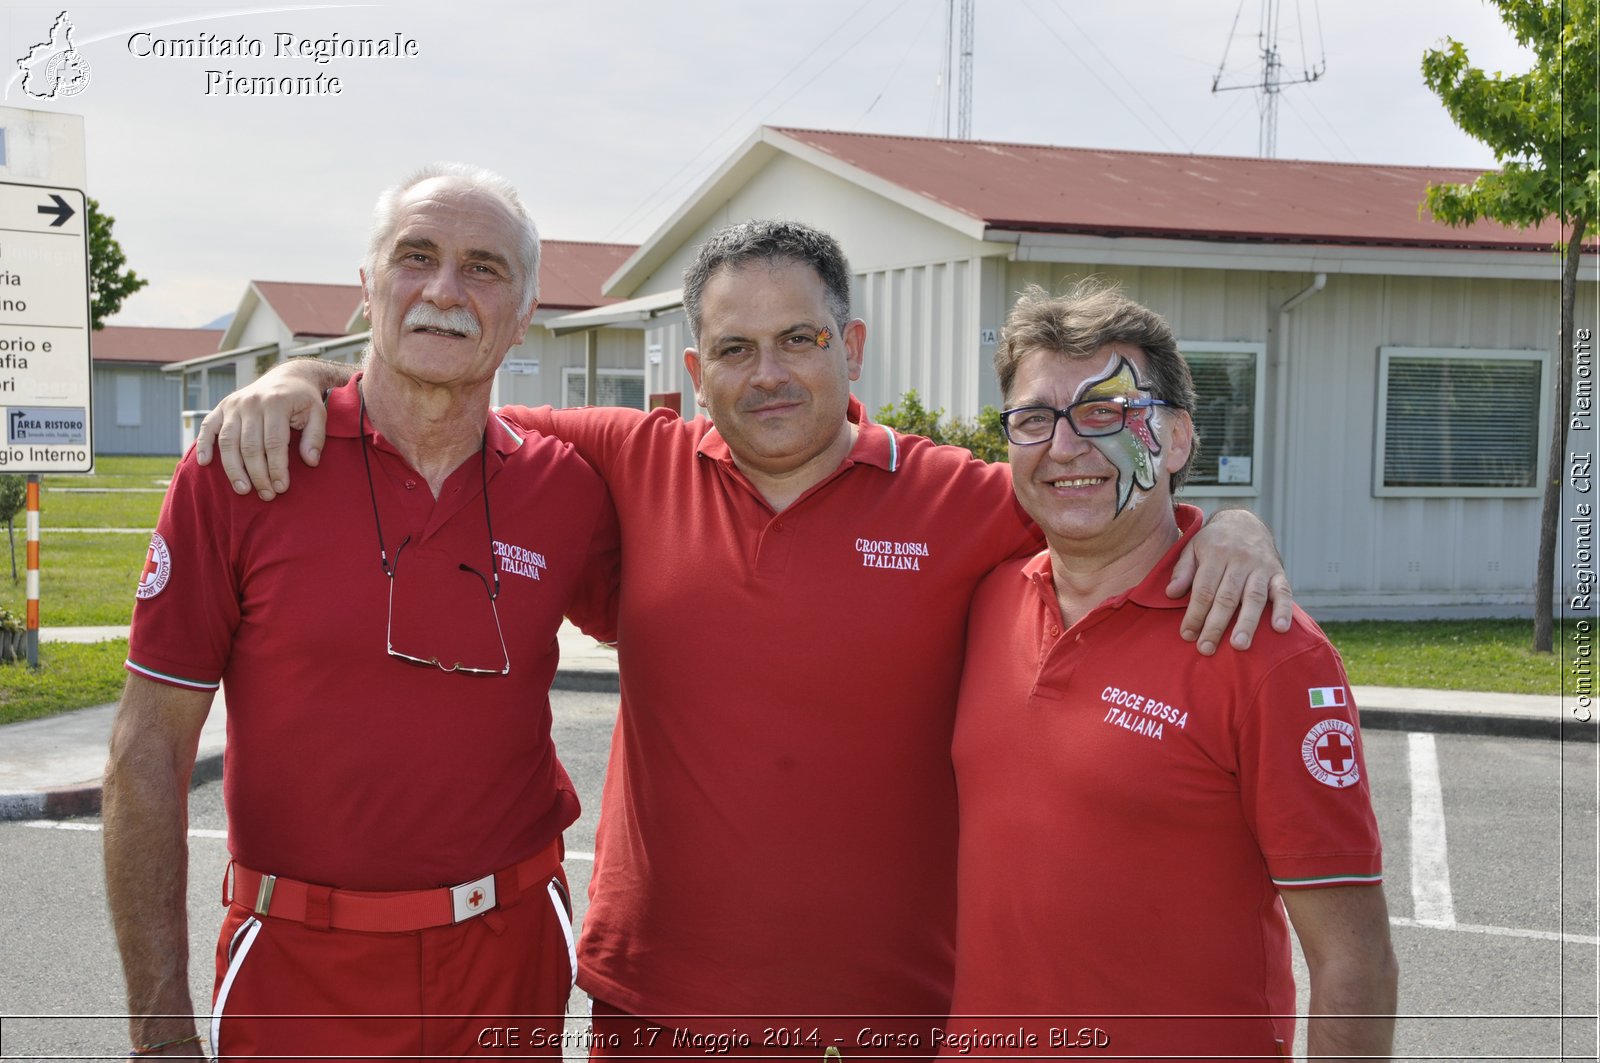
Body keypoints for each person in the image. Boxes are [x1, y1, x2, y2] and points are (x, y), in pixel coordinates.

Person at [196, 221, 1294, 1058]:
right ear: (693, 371)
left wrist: (1227, 527)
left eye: (798, 340)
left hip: (887, 1014)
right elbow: (431, 394)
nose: (768, 372)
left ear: (850, 345)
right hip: (655, 1004)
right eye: (734, 347)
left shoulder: (965, 500)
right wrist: (300, 380)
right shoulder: (624, 459)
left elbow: (1098, 502)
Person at [103, 163, 618, 1060]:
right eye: (415, 257)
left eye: (484, 268)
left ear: (526, 313)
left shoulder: (567, 486)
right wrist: (158, 1030)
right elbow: (146, 752)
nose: (444, 291)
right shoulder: (243, 467)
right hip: (298, 965)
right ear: (369, 286)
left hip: (509, 958)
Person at [946, 282, 1397, 1061]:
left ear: (1179, 439)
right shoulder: (984, 601)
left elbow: (1353, 960)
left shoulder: (1268, 649)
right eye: (1033, 419)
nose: (1063, 447)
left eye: (1105, 413)